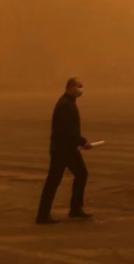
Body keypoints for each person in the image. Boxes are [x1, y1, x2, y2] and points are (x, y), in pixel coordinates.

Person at [36, 77, 92, 224]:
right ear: (70, 87)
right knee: (57, 180)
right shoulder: (65, 105)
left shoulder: (68, 102)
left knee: (78, 174)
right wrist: (83, 142)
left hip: (65, 148)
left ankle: (73, 209)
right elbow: (67, 131)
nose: (80, 90)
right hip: (63, 150)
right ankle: (45, 215)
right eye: (78, 86)